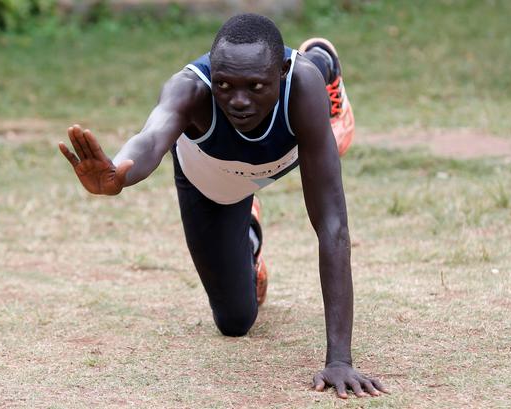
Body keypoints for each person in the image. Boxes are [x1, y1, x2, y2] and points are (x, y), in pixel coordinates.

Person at [59, 13, 388, 399]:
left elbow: (332, 225)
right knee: (235, 321)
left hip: (288, 152)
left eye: (256, 86)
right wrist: (119, 173)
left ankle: (325, 70)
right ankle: (247, 232)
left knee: (331, 138)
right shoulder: (189, 90)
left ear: (281, 71)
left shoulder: (299, 85)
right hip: (216, 185)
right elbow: (150, 139)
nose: (239, 100)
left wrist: (339, 359)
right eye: (225, 85)